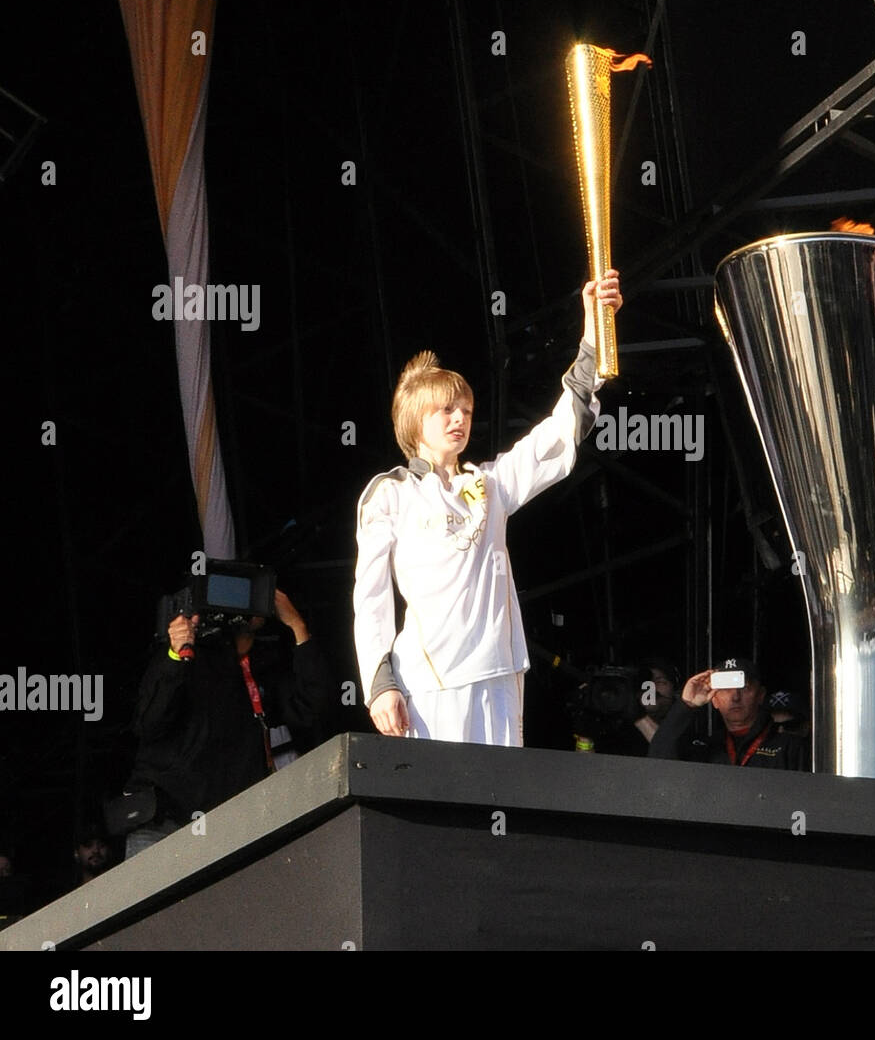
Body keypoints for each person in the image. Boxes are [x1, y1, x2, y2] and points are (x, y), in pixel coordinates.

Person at [354, 272, 623, 744]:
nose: (460, 419)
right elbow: (370, 598)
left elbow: (557, 435)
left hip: (499, 673)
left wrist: (594, 332)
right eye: (447, 411)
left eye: (467, 411)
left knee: (498, 801)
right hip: (432, 681)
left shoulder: (488, 484)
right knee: (442, 805)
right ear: (417, 419)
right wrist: (380, 685)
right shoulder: (390, 493)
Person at [122, 588, 332, 857]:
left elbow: (314, 708)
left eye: (256, 591)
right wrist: (175, 655)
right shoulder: (188, 653)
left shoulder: (264, 665)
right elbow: (148, 725)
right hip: (165, 823)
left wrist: (297, 626)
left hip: (228, 827)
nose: (250, 602)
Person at [648, 657, 810, 771]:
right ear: (714, 700)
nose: (735, 697)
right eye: (725, 689)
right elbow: (658, 762)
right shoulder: (705, 748)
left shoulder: (790, 747)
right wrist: (686, 705)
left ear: (760, 695)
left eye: (744, 687)